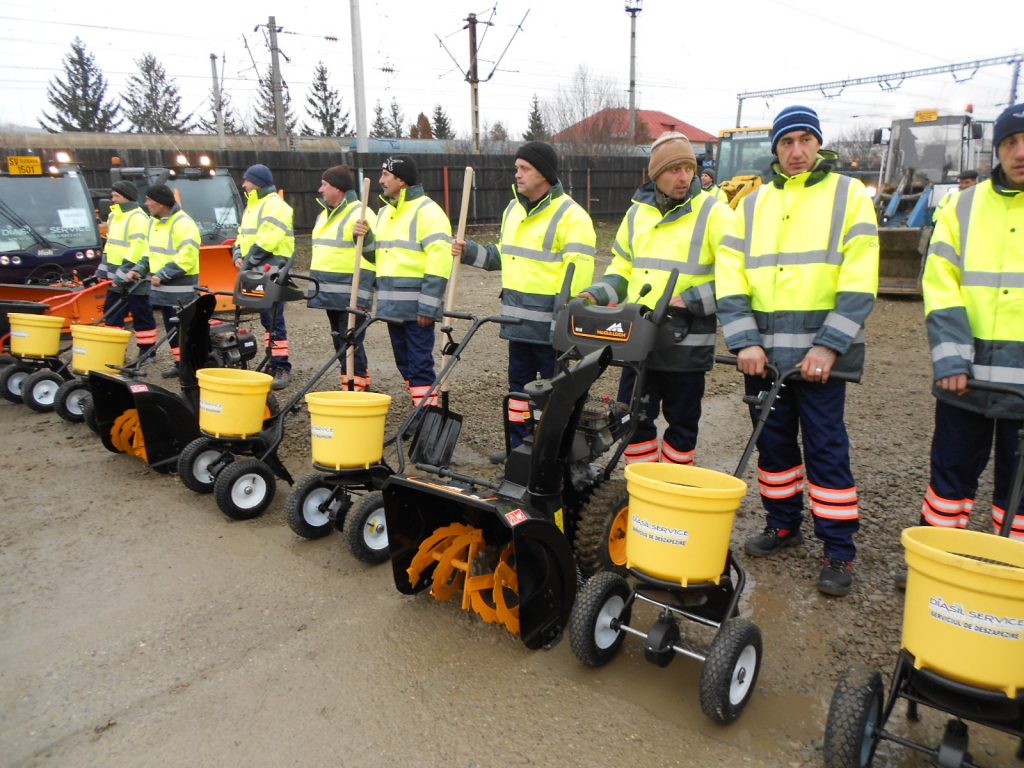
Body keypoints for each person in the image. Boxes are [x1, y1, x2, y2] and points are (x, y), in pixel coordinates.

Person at [716, 105, 880, 597]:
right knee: (774, 446)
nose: (796, 151)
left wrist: (829, 348)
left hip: (819, 362)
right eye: (787, 142)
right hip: (763, 359)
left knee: (827, 450)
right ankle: (782, 524)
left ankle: (838, 549)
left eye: (805, 140)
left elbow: (859, 279)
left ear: (819, 144)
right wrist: (744, 342)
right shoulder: (750, 205)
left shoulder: (848, 196)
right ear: (776, 149)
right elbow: (731, 278)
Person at [579, 132, 735, 465]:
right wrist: (595, 293)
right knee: (632, 421)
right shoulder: (636, 215)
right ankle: (641, 492)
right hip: (639, 340)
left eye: (687, 168)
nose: (683, 177)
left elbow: (738, 275)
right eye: (673, 169)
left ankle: (673, 494)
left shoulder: (714, 213)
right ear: (655, 174)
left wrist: (692, 299)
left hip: (687, 343)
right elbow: (621, 270)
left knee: (682, 426)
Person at [916, 102, 1024, 544]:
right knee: (951, 473)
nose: (1020, 152)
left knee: (1020, 487)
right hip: (967, 376)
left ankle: (1010, 569)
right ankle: (937, 553)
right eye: (1011, 142)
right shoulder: (962, 207)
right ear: (998, 150)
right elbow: (941, 286)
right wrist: (952, 360)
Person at [452, 141, 596, 458]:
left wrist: (565, 326)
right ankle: (519, 448)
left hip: (551, 330)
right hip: (517, 325)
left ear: (543, 173)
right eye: (517, 168)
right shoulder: (513, 210)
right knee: (518, 392)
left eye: (524, 168)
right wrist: (470, 252)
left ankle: (548, 454)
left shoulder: (572, 216)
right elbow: (507, 256)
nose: (516, 174)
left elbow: (579, 279)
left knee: (552, 395)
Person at [354, 155, 452, 408]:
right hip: (392, 307)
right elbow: (379, 257)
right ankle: (420, 407)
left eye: (386, 175)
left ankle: (427, 417)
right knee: (404, 363)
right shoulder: (386, 212)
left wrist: (429, 307)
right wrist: (364, 239)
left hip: (416, 309)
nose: (381, 180)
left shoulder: (429, 212)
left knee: (419, 365)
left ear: (402, 180)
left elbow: (440, 261)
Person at [308, 164, 376, 391]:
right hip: (329, 292)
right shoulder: (323, 215)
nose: (320, 189)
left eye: (324, 184)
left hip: (352, 292)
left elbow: (375, 252)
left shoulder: (361, 214)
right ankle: (352, 385)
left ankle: (357, 390)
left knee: (351, 344)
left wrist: (365, 236)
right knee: (340, 342)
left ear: (337, 187)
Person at [127, 184, 201, 378]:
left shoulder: (183, 223)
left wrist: (164, 274)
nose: (146, 203)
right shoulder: (154, 222)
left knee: (184, 329)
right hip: (163, 288)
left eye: (149, 200)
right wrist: (139, 268)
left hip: (180, 288)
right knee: (171, 329)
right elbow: (149, 251)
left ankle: (191, 366)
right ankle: (180, 363)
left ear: (160, 203)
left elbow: (188, 256)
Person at [234, 164, 295, 391]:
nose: (244, 184)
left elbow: (268, 239)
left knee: (274, 318)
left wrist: (247, 261)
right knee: (265, 317)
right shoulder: (252, 205)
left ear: (258, 182)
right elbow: (242, 235)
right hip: (255, 267)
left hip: (272, 266)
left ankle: (281, 366)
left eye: (247, 181)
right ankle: (273, 361)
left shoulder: (276, 206)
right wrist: (237, 253)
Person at [98, 180, 157, 357]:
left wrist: (123, 274)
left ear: (127, 197)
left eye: (116, 195)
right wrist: (102, 272)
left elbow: (137, 249)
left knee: (141, 314)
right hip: (117, 277)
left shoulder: (137, 218)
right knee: (113, 314)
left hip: (134, 278)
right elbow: (110, 246)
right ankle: (114, 351)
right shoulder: (115, 216)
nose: (112, 199)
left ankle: (147, 351)